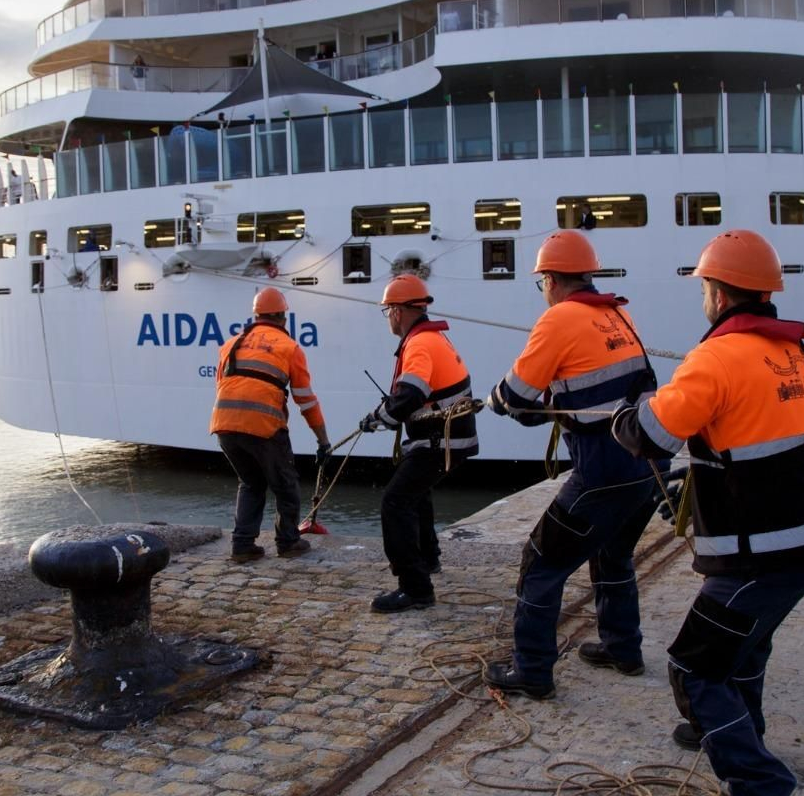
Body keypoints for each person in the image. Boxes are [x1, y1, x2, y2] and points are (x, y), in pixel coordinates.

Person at [611, 229, 804, 796]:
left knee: (694, 665)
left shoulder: (714, 358)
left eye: (705, 289)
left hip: (764, 547)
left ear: (717, 292)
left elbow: (652, 437)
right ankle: (737, 728)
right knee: (745, 646)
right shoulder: (799, 354)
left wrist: (623, 416)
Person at [483, 231, 664, 700]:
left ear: (550, 279)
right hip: (647, 466)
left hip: (603, 471)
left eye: (542, 280)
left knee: (541, 562)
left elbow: (518, 395)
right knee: (612, 555)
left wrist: (497, 400)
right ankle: (623, 648)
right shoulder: (617, 314)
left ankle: (532, 671)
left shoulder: (558, 318)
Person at [358, 275, 478, 612]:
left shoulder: (420, 344)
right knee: (416, 495)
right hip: (450, 439)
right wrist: (389, 413)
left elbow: (410, 393)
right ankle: (428, 559)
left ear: (396, 311)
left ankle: (415, 588)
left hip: (438, 441)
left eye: (388, 312)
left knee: (394, 504)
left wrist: (379, 418)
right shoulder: (433, 338)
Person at [210, 287, 332, 563]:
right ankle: (288, 542)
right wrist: (323, 440)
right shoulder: (289, 348)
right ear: (282, 318)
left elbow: (223, 384)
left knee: (250, 482)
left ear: (256, 316)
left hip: (224, 424)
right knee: (285, 485)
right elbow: (306, 401)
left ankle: (242, 546)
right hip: (264, 426)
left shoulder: (231, 344)